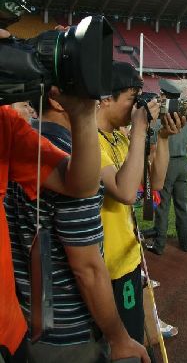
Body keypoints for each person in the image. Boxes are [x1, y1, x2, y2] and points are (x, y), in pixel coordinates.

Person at [4, 95, 149, 363]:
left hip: (23, 321)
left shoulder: (17, 140)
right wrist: (118, 338)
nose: (97, 103)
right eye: (91, 94)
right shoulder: (72, 159)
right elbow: (88, 269)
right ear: (58, 99)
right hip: (69, 335)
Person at [97, 61, 184, 345]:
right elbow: (123, 192)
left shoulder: (118, 137)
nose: (137, 107)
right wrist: (138, 128)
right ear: (105, 99)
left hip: (128, 261)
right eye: (131, 100)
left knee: (133, 339)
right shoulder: (89, 143)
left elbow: (154, 183)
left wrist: (163, 137)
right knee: (114, 347)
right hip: (104, 270)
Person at [149, 79, 187, 255]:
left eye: (162, 94)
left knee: (162, 206)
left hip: (165, 165)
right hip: (182, 163)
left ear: (166, 96)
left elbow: (154, 148)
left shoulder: (159, 117)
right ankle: (186, 243)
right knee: (183, 205)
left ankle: (159, 245)